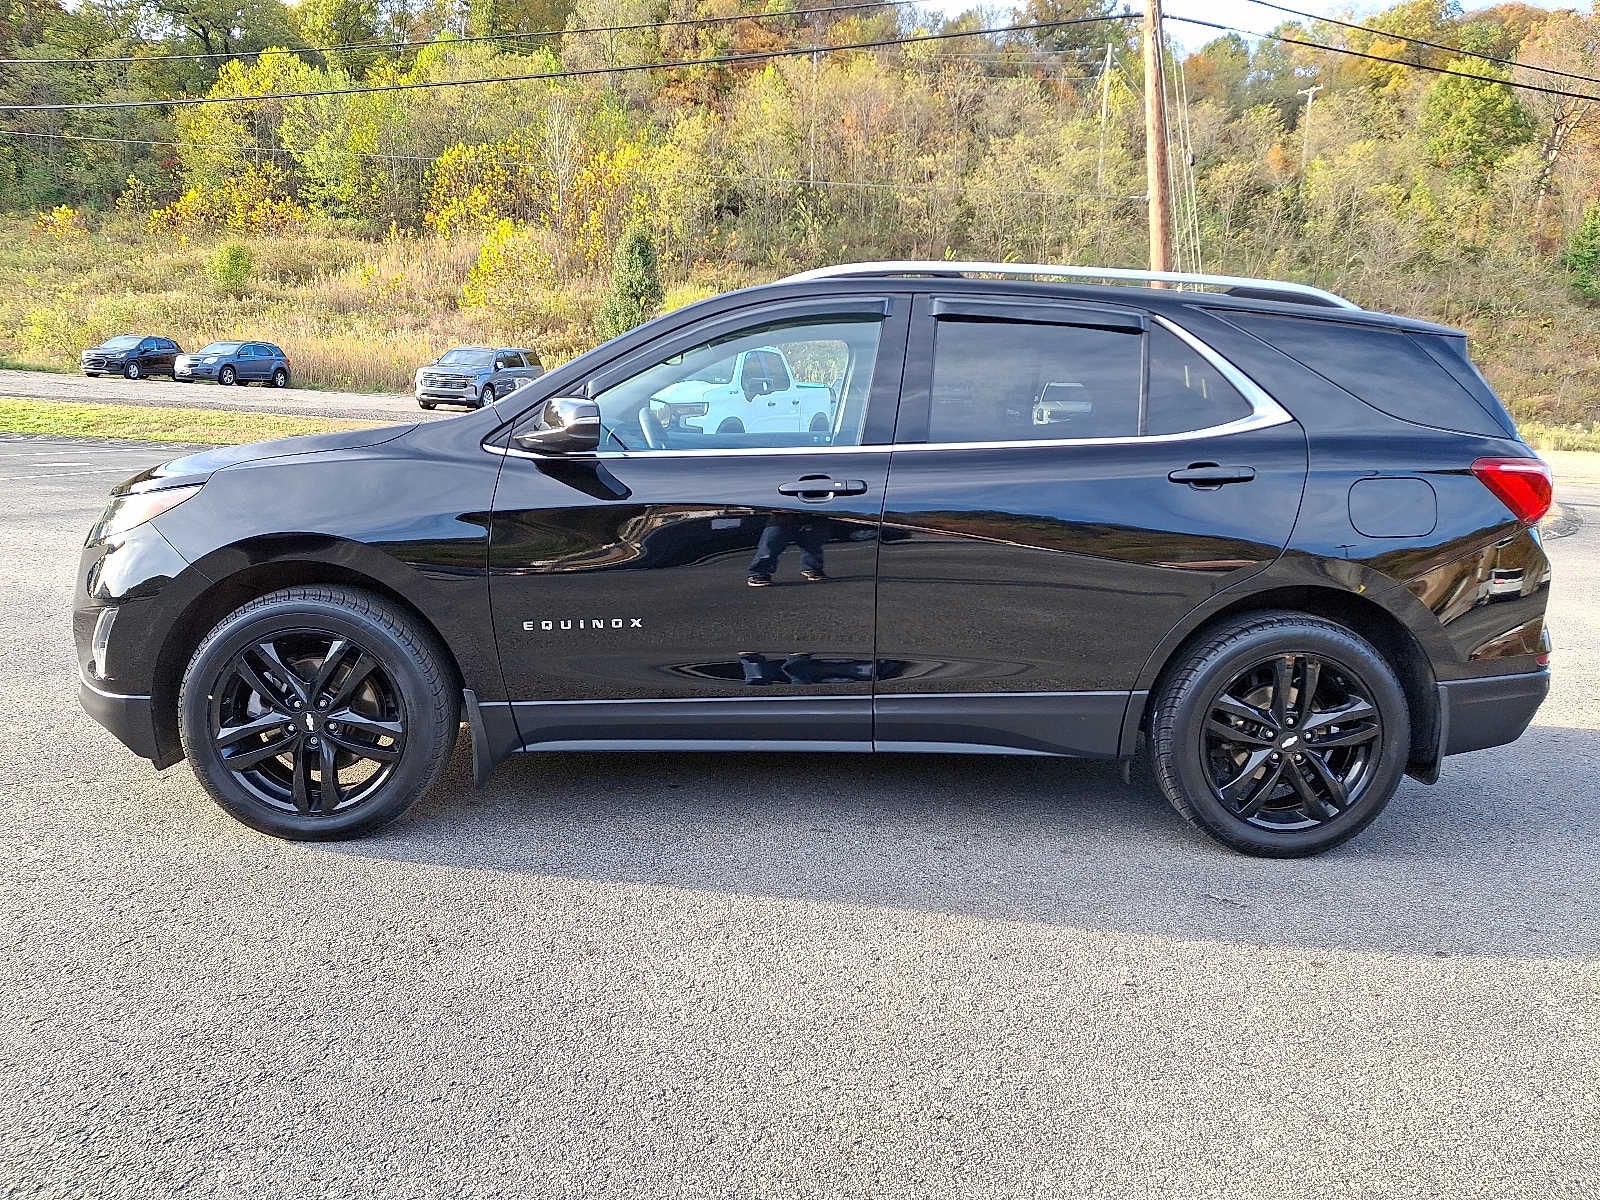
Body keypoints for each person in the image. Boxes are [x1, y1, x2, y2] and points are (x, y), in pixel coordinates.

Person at [747, 514, 826, 586]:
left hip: (811, 516)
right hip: (782, 517)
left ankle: (812, 568)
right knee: (770, 546)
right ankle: (758, 574)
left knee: (813, 545)